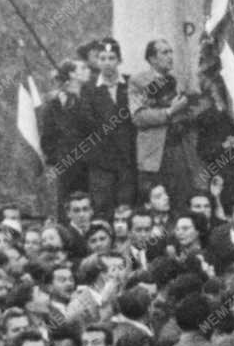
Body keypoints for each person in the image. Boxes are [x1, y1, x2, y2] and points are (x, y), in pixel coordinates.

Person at [129, 39, 198, 212]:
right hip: (154, 154)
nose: (170, 57)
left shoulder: (176, 81)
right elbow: (139, 117)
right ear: (152, 59)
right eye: (164, 53)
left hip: (179, 150)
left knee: (180, 200)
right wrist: (170, 111)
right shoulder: (139, 82)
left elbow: (186, 113)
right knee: (155, 202)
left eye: (170, 52)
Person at [78, 38, 137, 216]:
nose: (107, 63)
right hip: (101, 162)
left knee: (126, 208)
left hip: (128, 159)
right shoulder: (88, 89)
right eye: (102, 58)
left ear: (119, 60)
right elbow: (88, 124)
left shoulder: (130, 84)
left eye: (111, 58)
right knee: (102, 208)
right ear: (97, 61)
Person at [40, 59, 89, 219]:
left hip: (92, 162)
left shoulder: (91, 97)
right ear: (72, 75)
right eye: (83, 67)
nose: (87, 70)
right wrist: (60, 158)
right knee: (67, 204)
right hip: (68, 164)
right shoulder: (55, 103)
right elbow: (48, 137)